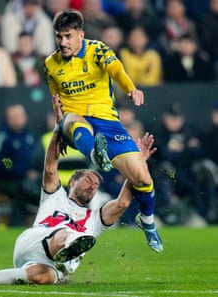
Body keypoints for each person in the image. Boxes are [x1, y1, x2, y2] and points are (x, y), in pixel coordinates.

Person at [0, 96, 157, 285]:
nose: (92, 185)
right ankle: (72, 243)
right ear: (73, 183)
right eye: (87, 179)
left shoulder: (94, 217)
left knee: (41, 278)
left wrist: (139, 164)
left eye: (96, 184)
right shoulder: (55, 197)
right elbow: (49, 168)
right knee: (64, 234)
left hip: (49, 265)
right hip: (35, 241)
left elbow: (123, 203)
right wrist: (60, 127)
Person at [43, 10, 162, 252]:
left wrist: (131, 88)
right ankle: (96, 155)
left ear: (80, 35)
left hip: (106, 123)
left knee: (142, 178)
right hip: (75, 123)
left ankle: (147, 222)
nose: (63, 42)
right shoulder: (50, 64)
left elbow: (116, 69)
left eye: (67, 36)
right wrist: (60, 128)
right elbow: (57, 99)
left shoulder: (97, 49)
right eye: (59, 37)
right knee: (74, 120)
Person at [0, 104, 38, 226]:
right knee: (21, 192)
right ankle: (15, 224)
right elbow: (2, 160)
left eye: (19, 116)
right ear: (7, 119)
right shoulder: (3, 137)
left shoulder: (30, 135)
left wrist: (34, 170)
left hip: (31, 178)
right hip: (8, 180)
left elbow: (36, 156)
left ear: (25, 117)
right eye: (13, 117)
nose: (16, 119)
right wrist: (19, 171)